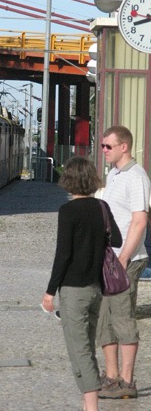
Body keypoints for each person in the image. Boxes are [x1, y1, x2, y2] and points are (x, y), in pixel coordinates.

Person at [42, 156, 121, 411]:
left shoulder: (68, 211)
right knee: (87, 345)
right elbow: (117, 240)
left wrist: (49, 291)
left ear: (69, 181)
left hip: (74, 290)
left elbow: (63, 254)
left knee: (79, 349)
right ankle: (89, 403)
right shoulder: (102, 207)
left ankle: (91, 406)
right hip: (97, 288)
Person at [97, 125, 150, 399]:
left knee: (122, 317)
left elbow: (140, 220)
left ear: (124, 147)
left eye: (108, 146)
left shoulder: (136, 177)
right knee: (104, 318)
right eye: (103, 145)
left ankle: (127, 381)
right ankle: (111, 376)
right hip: (110, 258)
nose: (103, 150)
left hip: (126, 259)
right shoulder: (114, 174)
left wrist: (124, 257)